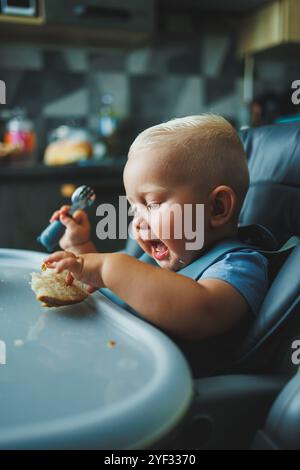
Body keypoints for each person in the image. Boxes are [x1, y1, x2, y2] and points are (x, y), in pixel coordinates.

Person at [43, 115, 268, 376]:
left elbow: (202, 312)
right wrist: (81, 248)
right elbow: (108, 289)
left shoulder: (239, 265)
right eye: (133, 208)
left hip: (173, 394)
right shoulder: (155, 259)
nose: (137, 223)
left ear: (217, 207)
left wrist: (109, 268)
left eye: (151, 204)